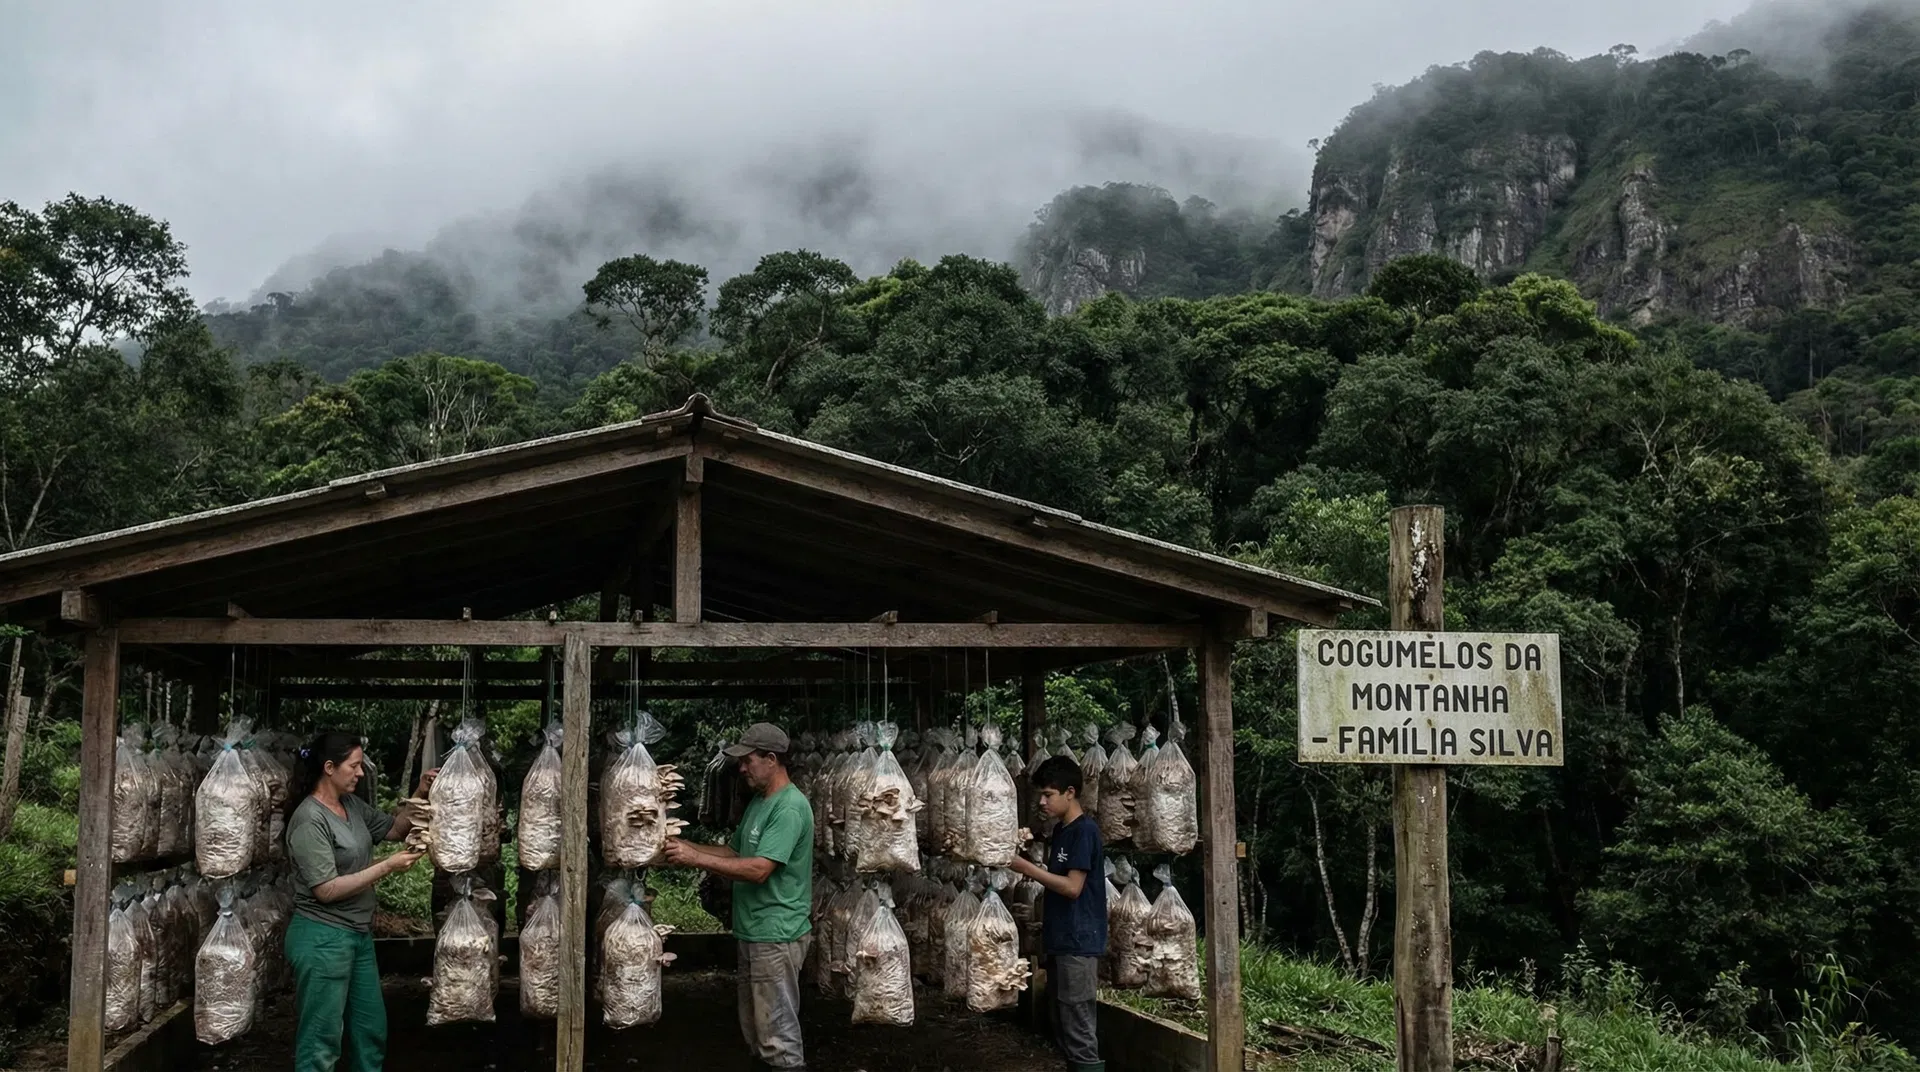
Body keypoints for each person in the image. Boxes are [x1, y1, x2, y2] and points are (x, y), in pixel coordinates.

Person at [663, 722, 813, 1072]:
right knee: (757, 1030)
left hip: (776, 933)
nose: (742, 768)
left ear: (771, 759)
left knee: (778, 1034)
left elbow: (760, 869)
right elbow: (735, 852)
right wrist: (683, 848)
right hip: (754, 932)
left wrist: (695, 859)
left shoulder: (789, 808)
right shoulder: (761, 803)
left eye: (748, 761)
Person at [283, 731, 435, 1072]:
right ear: (329, 767)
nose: (361, 772)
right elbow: (326, 889)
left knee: (370, 1030)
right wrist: (387, 866)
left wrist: (421, 792)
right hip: (323, 938)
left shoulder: (350, 805)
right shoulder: (309, 819)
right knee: (321, 1042)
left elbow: (395, 829)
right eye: (354, 766)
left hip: (357, 936)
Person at [1010, 754, 1107, 1072]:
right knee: (1063, 1022)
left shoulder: (1084, 831)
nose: (1042, 801)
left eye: (1048, 794)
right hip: (1062, 940)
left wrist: (1026, 868)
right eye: (1040, 794)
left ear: (1070, 792)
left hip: (1079, 942)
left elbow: (1072, 887)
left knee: (1078, 1025)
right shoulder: (1062, 832)